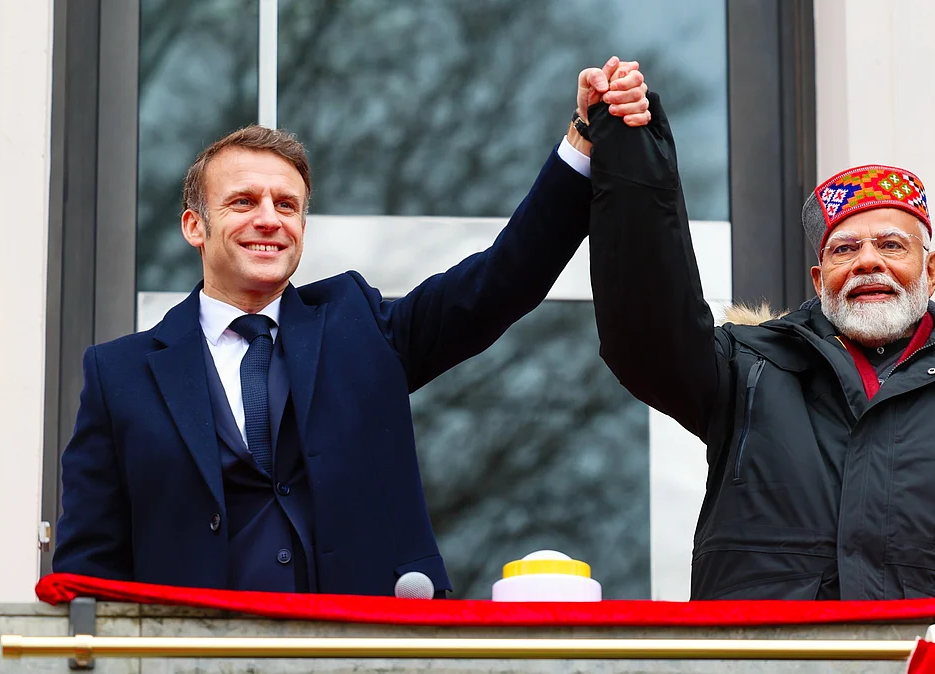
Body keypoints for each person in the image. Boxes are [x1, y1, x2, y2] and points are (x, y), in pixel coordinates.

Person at [52, 58, 653, 596]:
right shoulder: (120, 375)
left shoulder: (358, 325)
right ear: (194, 226)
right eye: (243, 202)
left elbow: (500, 281)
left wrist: (583, 141)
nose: (269, 219)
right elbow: (88, 573)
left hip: (367, 651)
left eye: (286, 205)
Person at [585, 92, 935, 607]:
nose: (868, 261)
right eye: (846, 248)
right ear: (821, 278)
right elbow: (646, 330)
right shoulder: (744, 369)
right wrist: (634, 157)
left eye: (892, 245)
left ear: (931, 269)